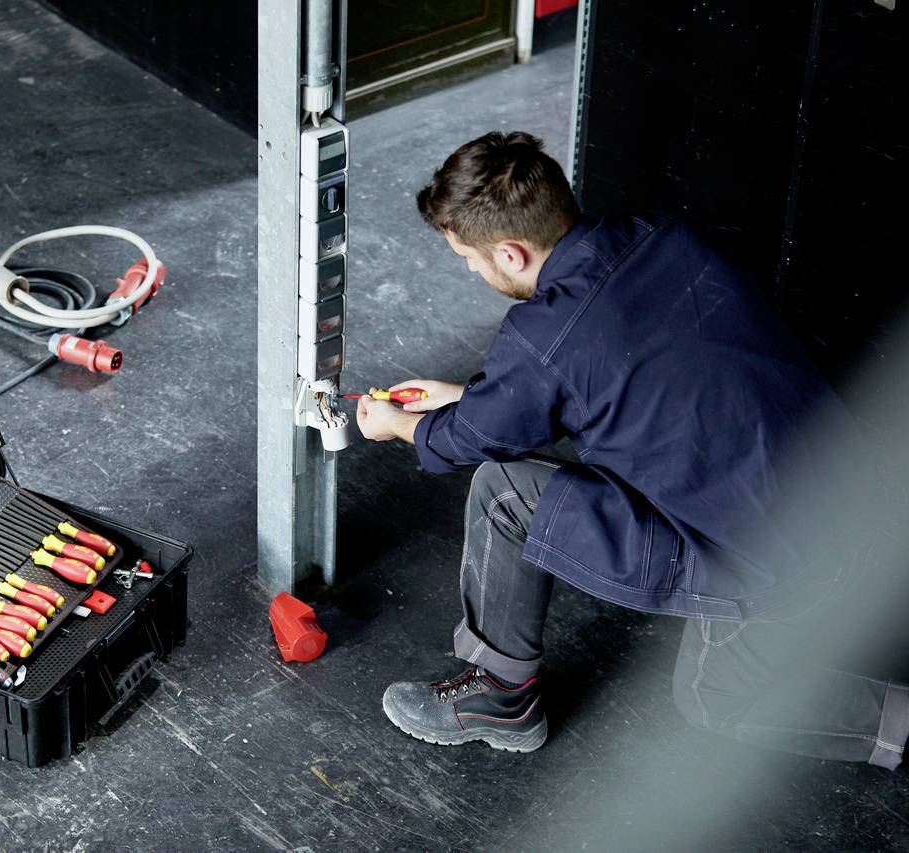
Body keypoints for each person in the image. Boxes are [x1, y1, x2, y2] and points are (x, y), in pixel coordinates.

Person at [355, 130, 907, 768]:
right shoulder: (665, 234)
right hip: (856, 502)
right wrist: (466, 393)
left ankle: (501, 695)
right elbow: (598, 377)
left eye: (468, 258)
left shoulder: (545, 336)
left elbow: (473, 439)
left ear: (510, 252)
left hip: (775, 560)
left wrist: (400, 426)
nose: (471, 271)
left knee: (714, 697)